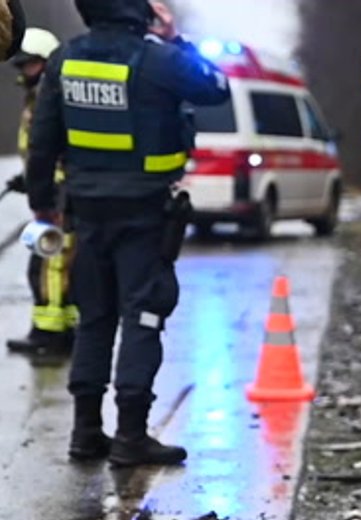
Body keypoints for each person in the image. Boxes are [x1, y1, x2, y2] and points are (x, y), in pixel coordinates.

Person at [25, 0, 230, 466]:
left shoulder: (65, 59)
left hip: (86, 213)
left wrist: (43, 204)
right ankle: (131, 437)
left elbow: (43, 140)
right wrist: (176, 38)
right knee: (144, 315)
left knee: (94, 317)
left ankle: (85, 432)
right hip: (144, 214)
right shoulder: (160, 58)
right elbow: (216, 87)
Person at [7, 27, 79, 357]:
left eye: (30, 65)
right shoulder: (38, 95)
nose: (24, 72)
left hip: (58, 195)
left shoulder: (55, 96)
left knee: (51, 263)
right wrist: (28, 179)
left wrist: (46, 191)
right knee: (45, 263)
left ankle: (52, 335)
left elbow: (52, 148)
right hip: (48, 189)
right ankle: (54, 329)